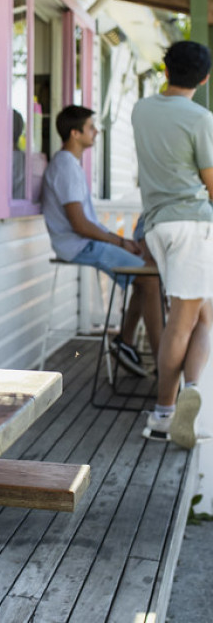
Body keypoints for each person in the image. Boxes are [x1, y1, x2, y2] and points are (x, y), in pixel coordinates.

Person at [41, 105, 163, 376]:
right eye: (90, 127)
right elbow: (80, 225)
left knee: (146, 271)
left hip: (84, 242)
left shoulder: (70, 164)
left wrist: (120, 241)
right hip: (77, 245)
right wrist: (120, 243)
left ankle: (126, 341)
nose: (96, 131)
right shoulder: (65, 167)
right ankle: (164, 363)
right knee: (151, 278)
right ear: (75, 133)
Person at [132, 40, 213, 448]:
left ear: (165, 70)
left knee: (203, 315)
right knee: (182, 320)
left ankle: (193, 389)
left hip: (157, 225)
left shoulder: (141, 110)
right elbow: (210, 183)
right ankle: (164, 413)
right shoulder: (201, 119)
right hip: (192, 225)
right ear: (204, 77)